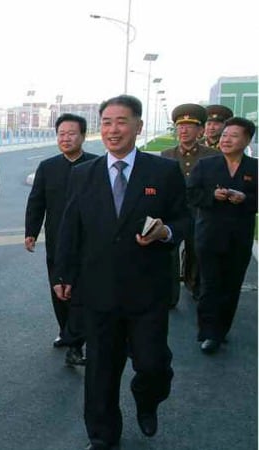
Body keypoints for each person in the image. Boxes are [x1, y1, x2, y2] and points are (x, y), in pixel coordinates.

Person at [54, 95, 191, 450]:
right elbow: (71, 228)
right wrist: (63, 276)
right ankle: (102, 435)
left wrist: (166, 232)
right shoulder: (83, 174)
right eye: (108, 122)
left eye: (122, 121)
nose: (114, 130)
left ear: (139, 126)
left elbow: (185, 219)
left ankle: (147, 400)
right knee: (100, 369)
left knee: (152, 364)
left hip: (147, 290)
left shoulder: (162, 172)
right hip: (98, 290)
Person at [24, 113, 97, 366]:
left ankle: (75, 343)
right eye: (61, 134)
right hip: (57, 240)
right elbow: (37, 202)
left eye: (71, 134)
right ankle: (66, 331)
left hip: (89, 242)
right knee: (58, 289)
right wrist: (31, 232)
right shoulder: (48, 167)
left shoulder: (96, 165)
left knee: (81, 291)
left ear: (83, 136)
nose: (65, 139)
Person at [187, 117, 257, 354]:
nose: (226, 139)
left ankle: (222, 329)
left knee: (231, 285)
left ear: (247, 139)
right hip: (209, 235)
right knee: (210, 284)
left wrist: (245, 199)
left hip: (239, 237)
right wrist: (210, 196)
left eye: (234, 136)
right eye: (225, 135)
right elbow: (191, 194)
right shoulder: (207, 165)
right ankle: (208, 333)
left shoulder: (254, 168)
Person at [161, 104, 217, 306]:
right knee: (170, 254)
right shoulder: (167, 154)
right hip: (174, 212)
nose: (184, 130)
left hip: (200, 212)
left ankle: (195, 286)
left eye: (189, 126)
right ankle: (170, 295)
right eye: (180, 126)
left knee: (196, 251)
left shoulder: (211, 155)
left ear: (200, 130)